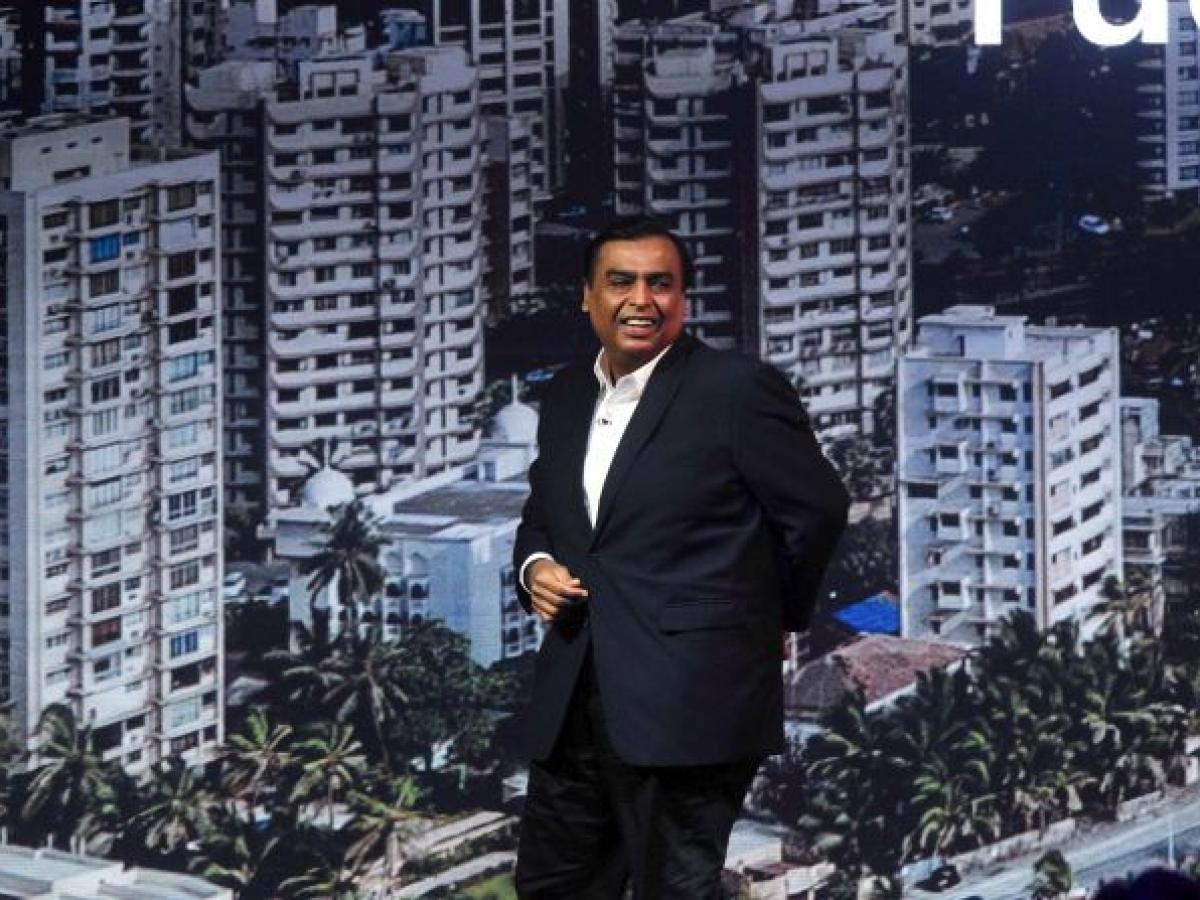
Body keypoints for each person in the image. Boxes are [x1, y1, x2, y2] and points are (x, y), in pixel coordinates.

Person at [512, 216, 851, 898]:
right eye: (621, 282)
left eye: (660, 283)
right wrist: (535, 568)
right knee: (552, 887)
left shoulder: (737, 390)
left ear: (683, 299)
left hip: (692, 700)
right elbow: (545, 514)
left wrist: (768, 621)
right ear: (587, 297)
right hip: (574, 695)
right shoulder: (567, 393)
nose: (641, 300)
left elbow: (816, 510)